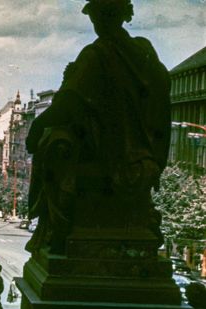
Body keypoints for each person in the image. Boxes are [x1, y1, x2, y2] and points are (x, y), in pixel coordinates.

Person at [25, 0, 170, 254]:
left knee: (52, 143)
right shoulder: (144, 50)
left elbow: (69, 102)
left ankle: (59, 229)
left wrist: (37, 126)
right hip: (144, 154)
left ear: (101, 17)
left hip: (110, 152)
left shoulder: (96, 54)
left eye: (96, 17)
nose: (95, 23)